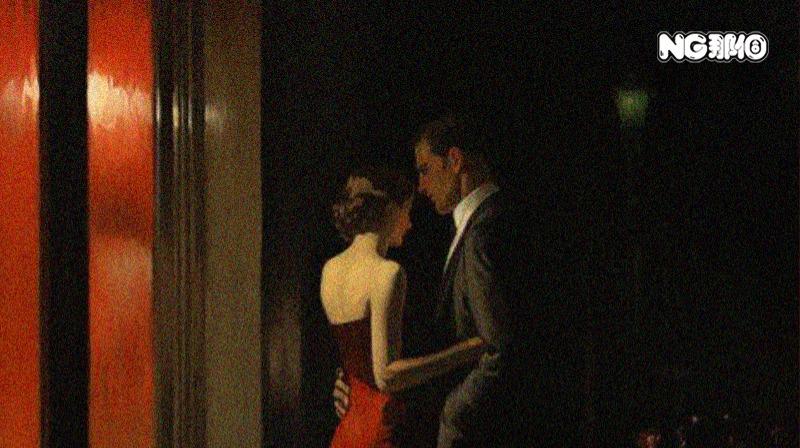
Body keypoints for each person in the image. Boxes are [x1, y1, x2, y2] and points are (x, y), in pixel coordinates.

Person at [334, 114, 533, 447]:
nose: (421, 186)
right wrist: (359, 378)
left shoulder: (486, 231)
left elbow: (499, 349)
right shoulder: (466, 228)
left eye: (425, 170)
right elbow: (438, 337)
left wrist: (453, 414)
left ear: (454, 161)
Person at [322, 167, 487, 448]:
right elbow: (386, 376)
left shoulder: (330, 270)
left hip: (347, 431)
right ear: (388, 212)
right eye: (406, 211)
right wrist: (467, 351)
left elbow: (355, 357)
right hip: (380, 430)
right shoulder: (387, 273)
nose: (409, 224)